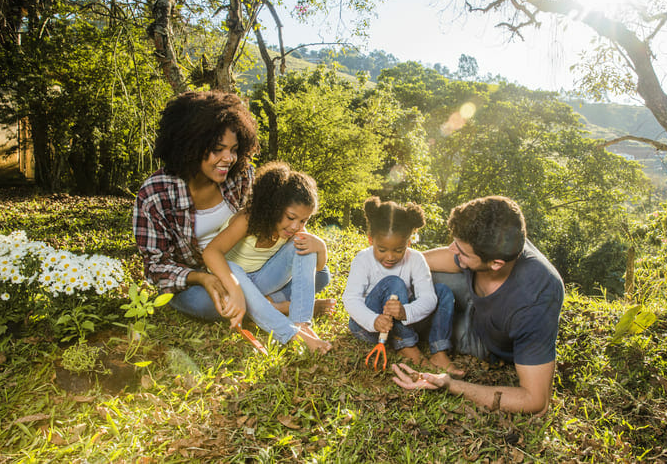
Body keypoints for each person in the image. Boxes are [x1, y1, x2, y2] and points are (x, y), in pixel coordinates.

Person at [391, 196, 564, 415]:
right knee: (413, 274)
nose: (452, 249)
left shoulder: (535, 299)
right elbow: (443, 258)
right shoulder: (493, 238)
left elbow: (535, 400)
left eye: (462, 251)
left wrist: (450, 384)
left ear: (496, 263)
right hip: (471, 293)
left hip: (483, 338)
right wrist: (392, 265)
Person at [133, 90, 258, 324]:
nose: (229, 158)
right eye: (218, 149)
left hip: (241, 268)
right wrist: (201, 278)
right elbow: (156, 266)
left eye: (233, 149)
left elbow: (259, 227)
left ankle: (253, 299)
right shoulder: (154, 195)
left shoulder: (241, 175)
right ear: (190, 146)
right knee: (202, 304)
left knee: (320, 275)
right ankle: (268, 302)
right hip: (194, 281)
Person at [203, 161, 333, 353]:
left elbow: (318, 267)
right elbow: (210, 252)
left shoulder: (294, 229)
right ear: (273, 207)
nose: (296, 226)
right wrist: (236, 289)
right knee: (232, 267)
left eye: (303, 220)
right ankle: (290, 334)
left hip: (260, 280)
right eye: (291, 217)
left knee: (305, 245)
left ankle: (301, 323)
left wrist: (321, 248)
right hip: (230, 282)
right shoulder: (246, 220)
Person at [343, 197, 461, 374]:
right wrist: (373, 321)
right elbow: (351, 299)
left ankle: (439, 349)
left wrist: (406, 312)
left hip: (402, 320)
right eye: (382, 249)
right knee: (394, 282)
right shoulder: (363, 259)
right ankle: (406, 346)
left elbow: (428, 298)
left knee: (442, 291)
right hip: (370, 326)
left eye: (398, 250)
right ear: (370, 240)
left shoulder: (416, 259)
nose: (390, 257)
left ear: (408, 242)